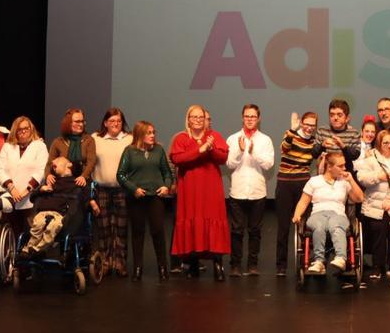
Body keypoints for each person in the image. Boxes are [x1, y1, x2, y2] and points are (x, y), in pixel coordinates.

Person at [169, 105, 230, 280]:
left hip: (210, 188)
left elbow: (223, 158)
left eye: (200, 117)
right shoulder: (181, 138)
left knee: (212, 220)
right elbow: (178, 159)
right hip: (190, 189)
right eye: (193, 117)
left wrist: (210, 149)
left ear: (205, 120)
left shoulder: (214, 136)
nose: (197, 120)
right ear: (188, 119)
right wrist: (199, 150)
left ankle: (218, 264)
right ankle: (193, 263)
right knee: (193, 221)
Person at [117, 121, 174, 281]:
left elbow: (167, 173)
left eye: (153, 132)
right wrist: (133, 188)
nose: (152, 135)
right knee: (137, 233)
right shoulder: (129, 151)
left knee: (158, 231)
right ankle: (137, 268)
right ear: (140, 134)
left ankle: (162, 268)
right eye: (149, 133)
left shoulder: (159, 150)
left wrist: (166, 186)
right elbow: (120, 174)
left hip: (155, 196)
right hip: (137, 198)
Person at [291, 153, 365, 276]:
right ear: (329, 167)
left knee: (334, 224)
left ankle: (341, 258)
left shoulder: (345, 182)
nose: (344, 168)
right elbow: (303, 202)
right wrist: (297, 215)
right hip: (318, 214)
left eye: (344, 165)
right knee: (319, 226)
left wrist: (351, 180)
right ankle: (319, 261)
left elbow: (359, 198)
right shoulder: (314, 181)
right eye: (340, 166)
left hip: (338, 214)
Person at [225, 104, 274, 277]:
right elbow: (229, 164)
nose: (250, 119)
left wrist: (253, 153)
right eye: (247, 116)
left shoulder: (265, 140)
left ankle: (253, 264)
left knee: (255, 231)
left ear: (258, 118)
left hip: (257, 192)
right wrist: (239, 150)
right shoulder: (232, 139)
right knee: (237, 230)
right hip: (237, 191)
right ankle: (235, 264)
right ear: (242, 117)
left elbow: (269, 165)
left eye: (253, 116)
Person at [275, 112, 324, 276]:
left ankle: (305, 261)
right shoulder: (291, 135)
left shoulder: (314, 142)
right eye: (307, 124)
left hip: (303, 184)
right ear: (302, 123)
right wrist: (292, 130)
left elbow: (317, 160)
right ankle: (281, 266)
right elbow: (284, 148)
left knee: (305, 225)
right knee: (283, 226)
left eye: (312, 125)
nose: (309, 128)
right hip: (285, 183)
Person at [357, 129, 390, 281]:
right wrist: (379, 176)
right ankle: (377, 267)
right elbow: (361, 178)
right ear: (379, 143)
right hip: (375, 206)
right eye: (385, 143)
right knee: (378, 236)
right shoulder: (371, 159)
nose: (389, 146)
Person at [91, 108, 132, 277]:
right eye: (112, 121)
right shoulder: (95, 138)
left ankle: (120, 263)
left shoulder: (130, 139)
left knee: (121, 229)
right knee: (104, 227)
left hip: (122, 189)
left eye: (119, 121)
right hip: (101, 189)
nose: (116, 124)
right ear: (105, 123)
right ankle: (105, 263)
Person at [20, 157, 85, 259]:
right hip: (43, 211)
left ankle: (38, 249)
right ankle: (28, 249)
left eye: (58, 160)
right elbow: (32, 198)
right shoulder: (51, 181)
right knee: (37, 224)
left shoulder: (75, 184)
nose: (53, 162)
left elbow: (77, 202)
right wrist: (41, 189)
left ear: (69, 165)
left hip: (60, 214)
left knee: (53, 226)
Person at [0, 116, 48, 237]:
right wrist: (12, 188)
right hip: (10, 196)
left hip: (30, 198)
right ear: (15, 131)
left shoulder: (39, 146)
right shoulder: (8, 147)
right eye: (20, 129)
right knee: (10, 233)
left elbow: (41, 170)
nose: (23, 131)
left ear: (31, 129)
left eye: (26, 128)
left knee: (31, 233)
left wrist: (27, 190)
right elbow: (0, 169)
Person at [316, 99, 361, 173]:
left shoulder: (354, 133)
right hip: (325, 175)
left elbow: (355, 156)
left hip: (345, 174)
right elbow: (314, 154)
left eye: (339, 115)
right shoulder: (321, 131)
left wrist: (343, 147)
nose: (335, 118)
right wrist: (322, 146)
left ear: (347, 118)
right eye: (332, 115)